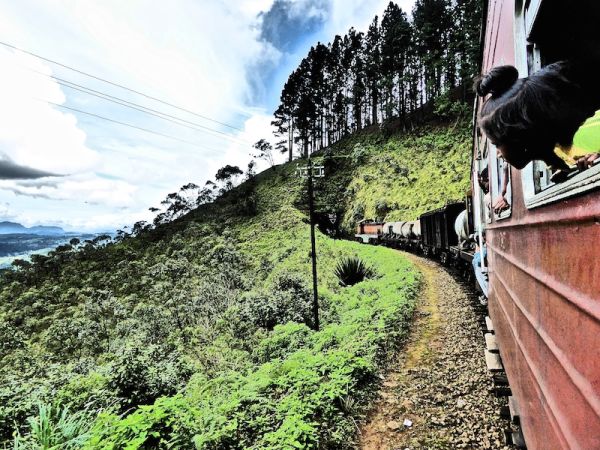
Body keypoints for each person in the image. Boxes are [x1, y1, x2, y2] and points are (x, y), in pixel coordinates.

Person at [475, 60, 600, 175]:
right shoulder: (559, 148)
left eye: (496, 144)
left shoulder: (588, 132)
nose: (498, 154)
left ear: (519, 135)